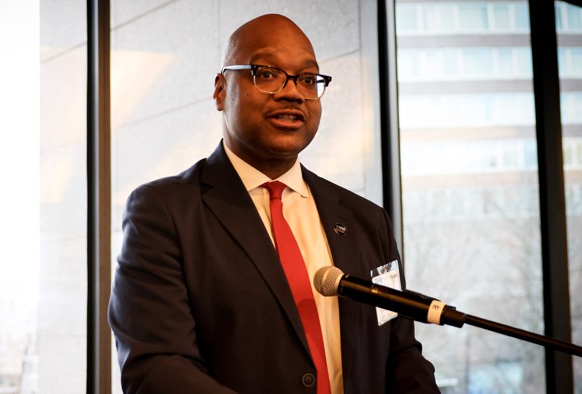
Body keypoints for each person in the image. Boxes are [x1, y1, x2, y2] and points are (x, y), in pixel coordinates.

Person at [108, 14, 440, 394]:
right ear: (220, 90)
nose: (293, 93)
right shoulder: (164, 212)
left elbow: (401, 355)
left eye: (307, 79)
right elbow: (158, 369)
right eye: (266, 73)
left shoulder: (367, 220)